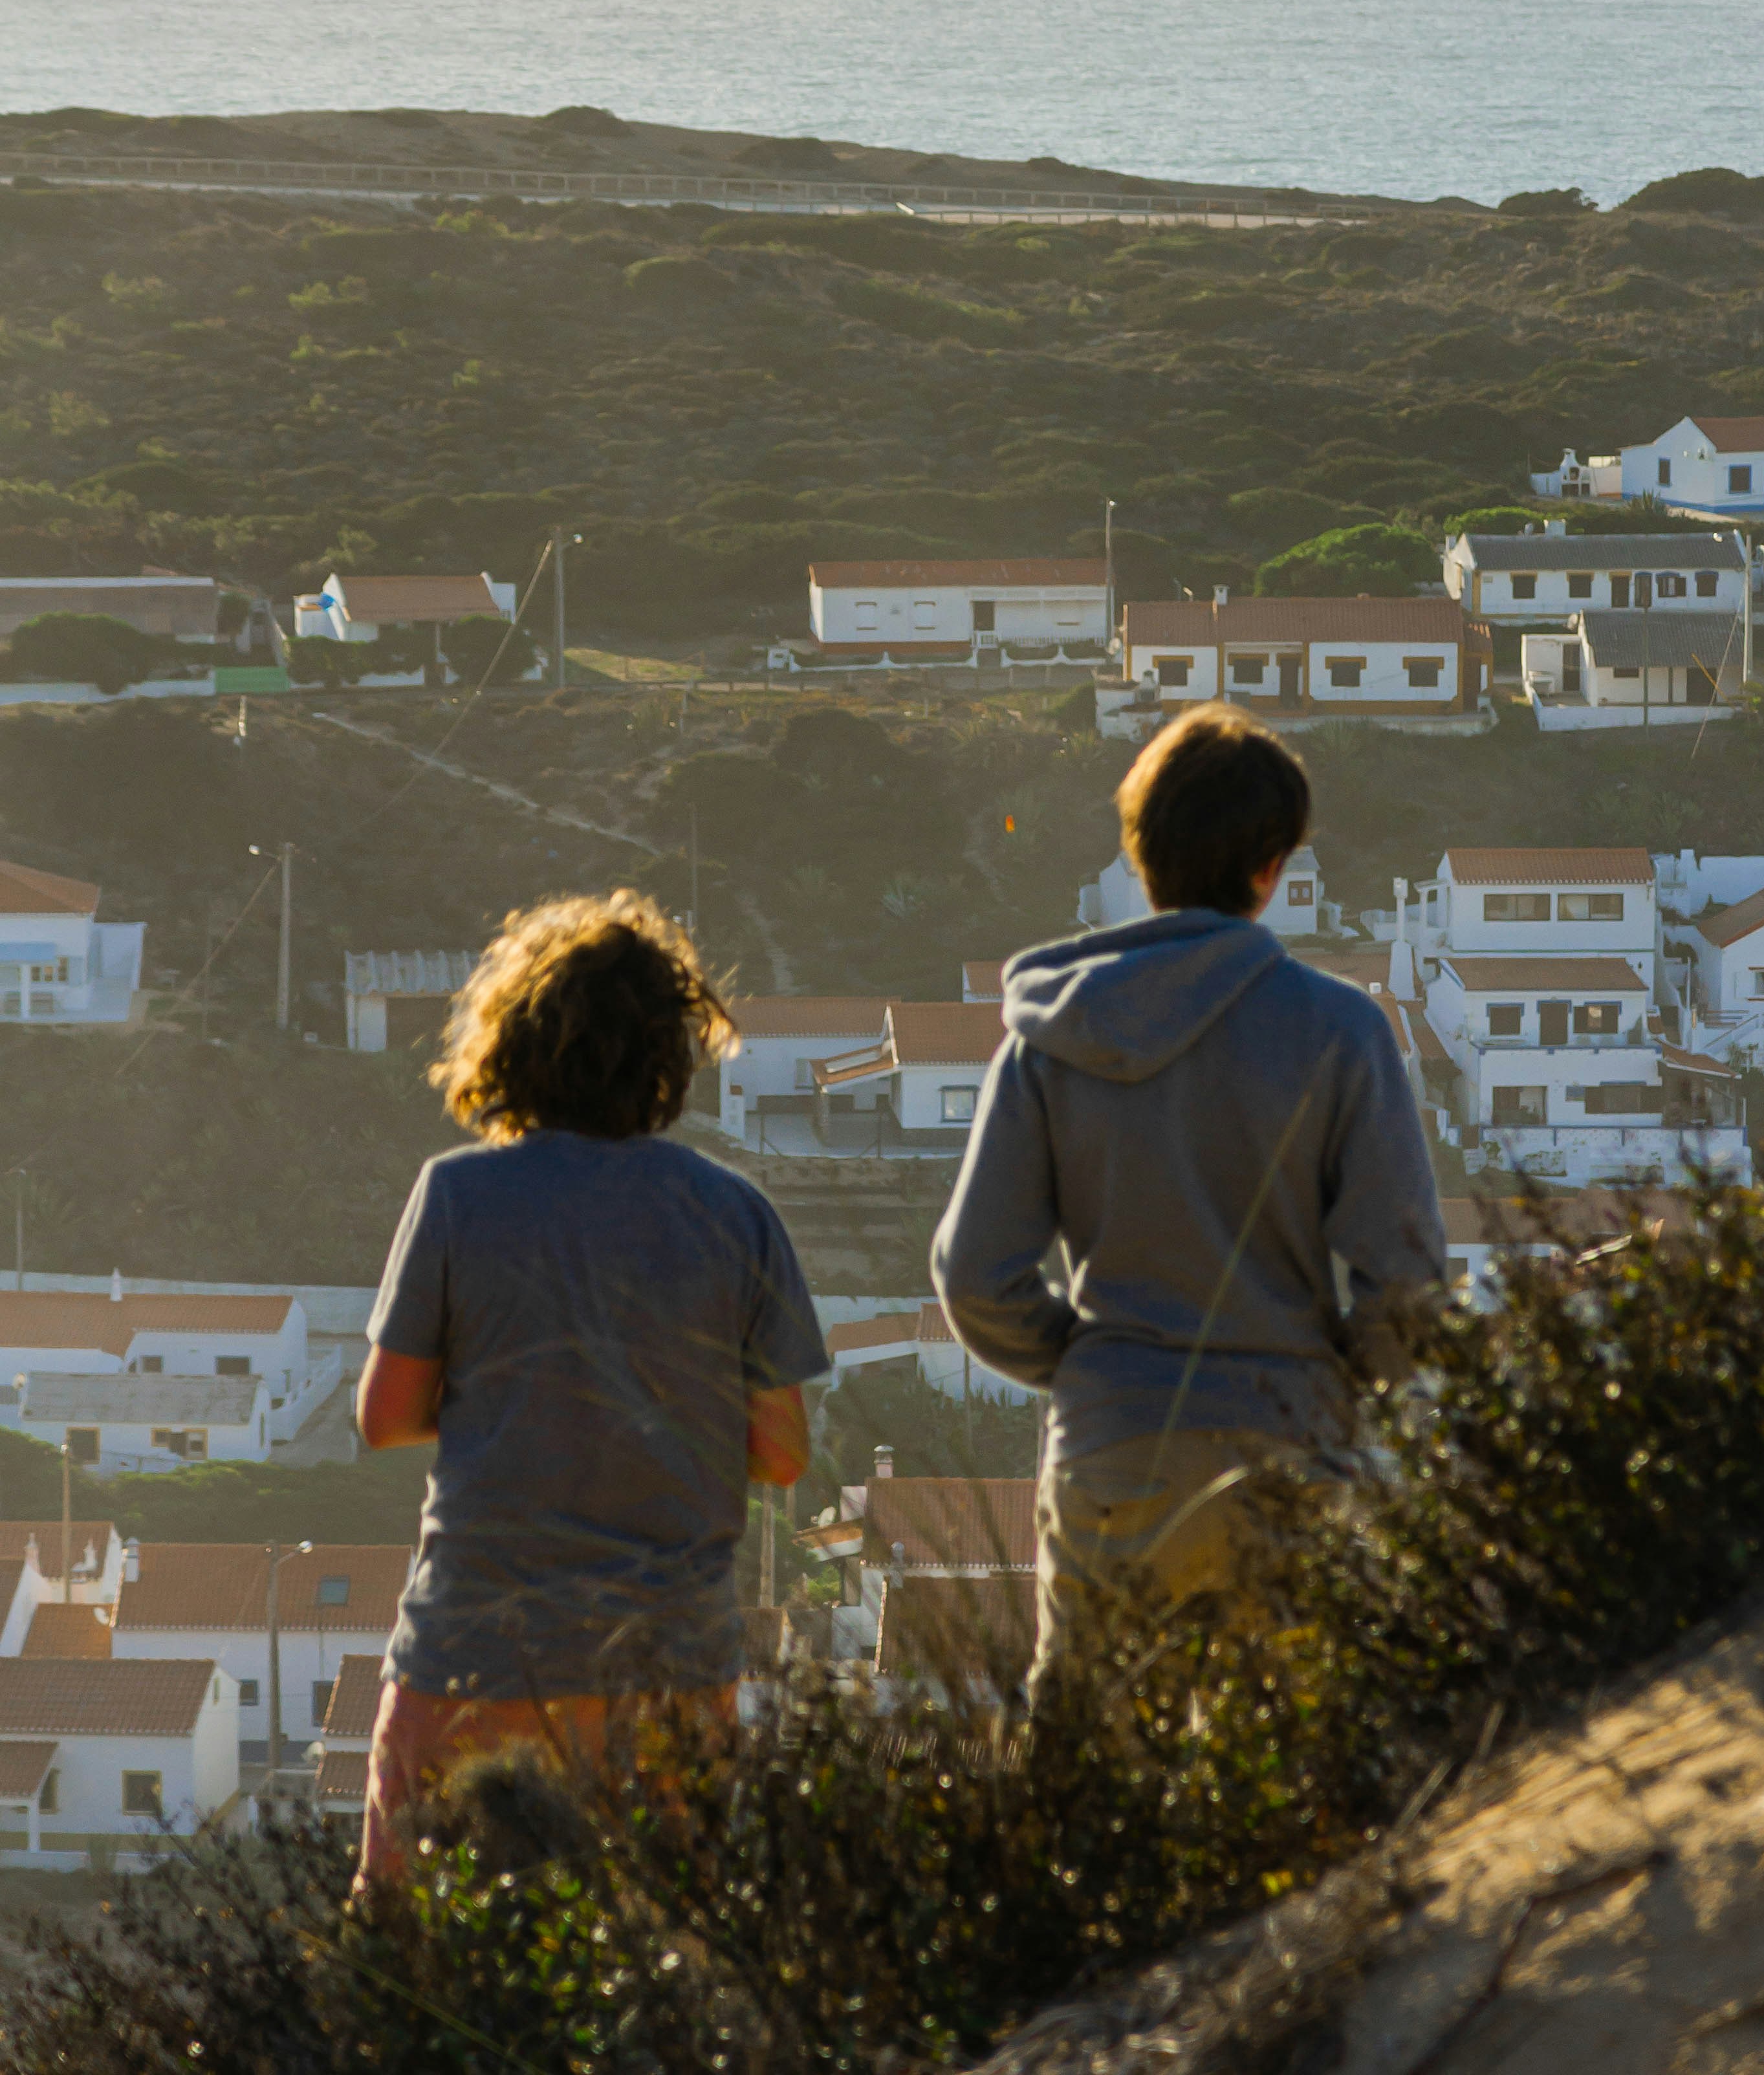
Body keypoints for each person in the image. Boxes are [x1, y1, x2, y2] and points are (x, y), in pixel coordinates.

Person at [930, 704, 1444, 1675]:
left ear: (1140, 857)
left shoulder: (1048, 1039)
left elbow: (973, 1278)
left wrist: (1096, 1366)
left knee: (1093, 1767)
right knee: (1287, 1770)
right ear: (1270, 867)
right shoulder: (1342, 1032)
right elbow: (1403, 1282)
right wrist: (1339, 1383)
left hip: (1113, 1446)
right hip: (1288, 1442)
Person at [354, 889, 826, 1878]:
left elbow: (386, 1417)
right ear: (670, 1054)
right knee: (654, 1956)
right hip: (669, 1670)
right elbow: (783, 1456)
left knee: (404, 1967)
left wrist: (514, 1398)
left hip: (476, 1652)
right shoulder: (735, 1216)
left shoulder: (457, 1195)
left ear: (512, 1043)